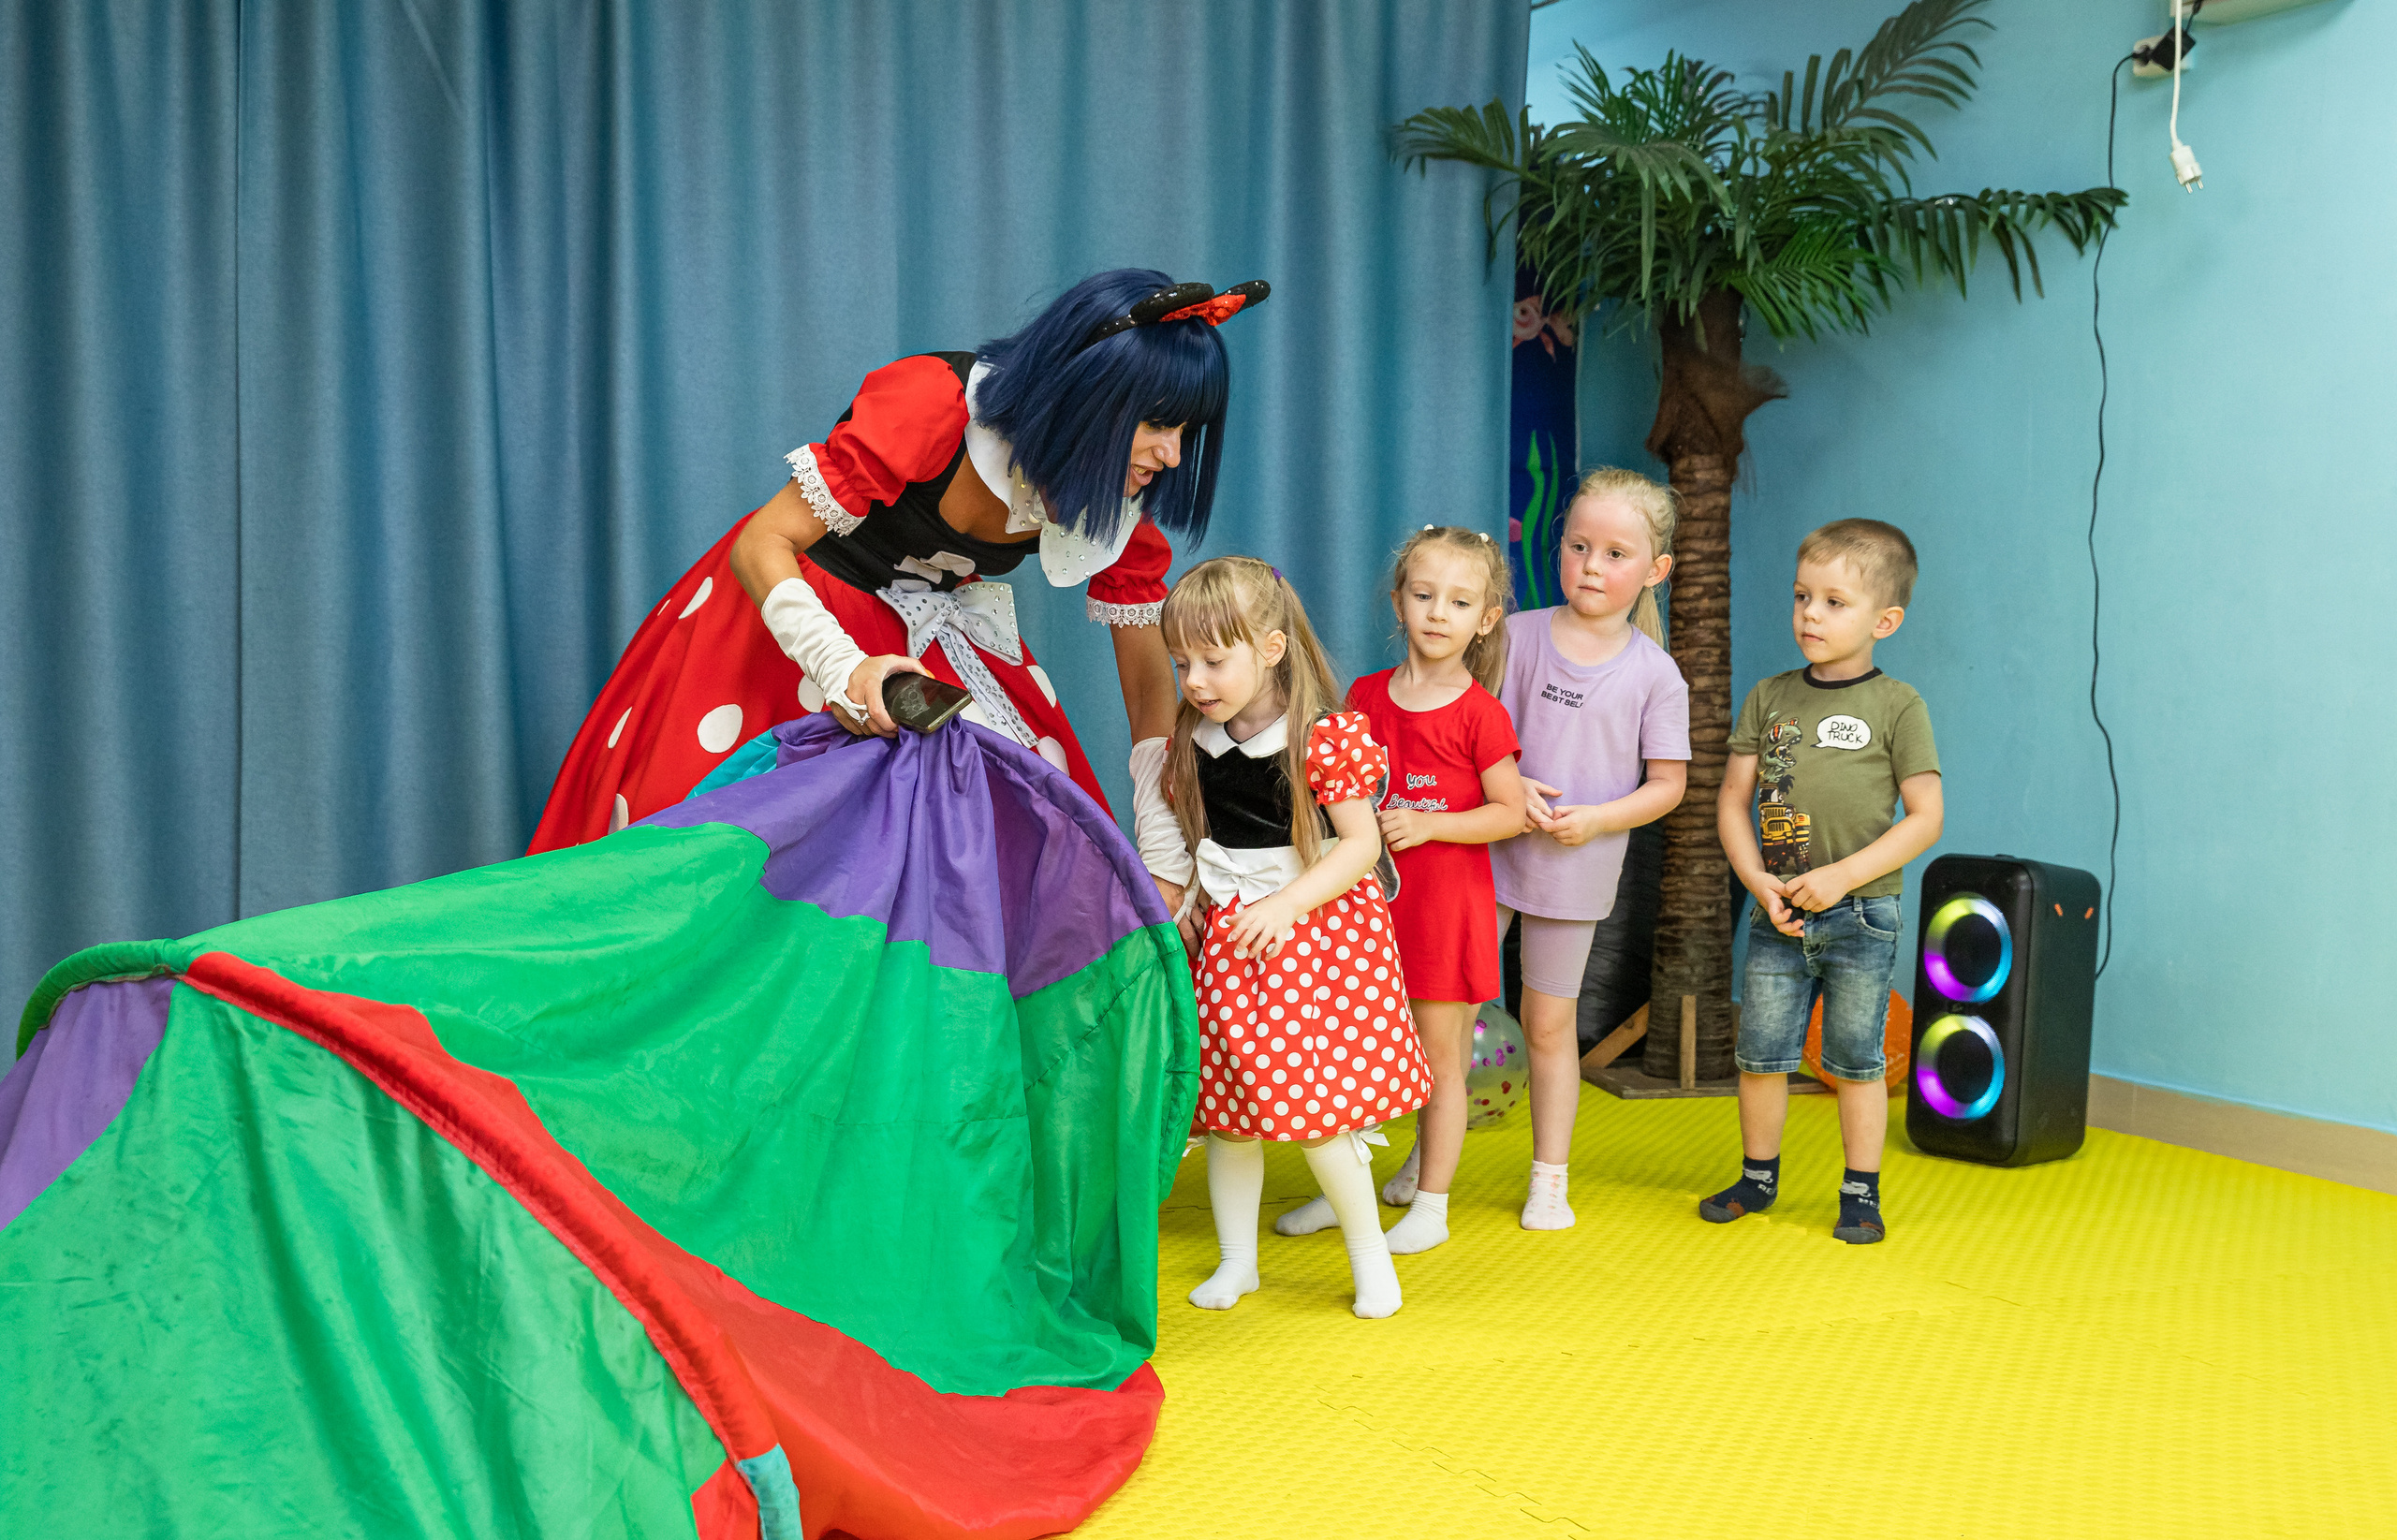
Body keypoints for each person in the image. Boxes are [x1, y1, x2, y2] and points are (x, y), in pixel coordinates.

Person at [527, 269, 1270, 913]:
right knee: (727, 872)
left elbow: (1146, 686)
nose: (1172, 455)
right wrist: (842, 669)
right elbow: (763, 541)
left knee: (999, 869)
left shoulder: (1113, 494)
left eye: (1186, 432)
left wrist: (1163, 841)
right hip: (790, 620)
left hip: (920, 643)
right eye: (1158, 424)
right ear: (1090, 397)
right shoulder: (934, 406)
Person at [1162, 557, 1430, 1320]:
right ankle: (1236, 1262)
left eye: (1215, 659)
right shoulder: (1197, 737)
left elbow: (1360, 847)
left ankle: (1372, 1258)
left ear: (1271, 648)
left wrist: (1284, 905)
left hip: (1309, 939)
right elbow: (1201, 843)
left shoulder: (1324, 737)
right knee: (1228, 1116)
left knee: (1316, 1116)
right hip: (1233, 941)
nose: (1196, 679)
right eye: (1183, 662)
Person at [1274, 526, 1523, 1256]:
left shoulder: (1482, 712)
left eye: (1458, 601)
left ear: (1485, 619)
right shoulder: (1365, 695)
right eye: (1423, 595)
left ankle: (1432, 1203)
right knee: (1357, 1053)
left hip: (1446, 911)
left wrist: (1432, 822)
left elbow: (1509, 813)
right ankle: (1342, 1189)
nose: (1437, 613)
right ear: (1398, 601)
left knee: (1439, 1062)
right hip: (1369, 912)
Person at [1703, 519, 1942, 1244]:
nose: (1811, 613)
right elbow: (1732, 800)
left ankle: (1860, 1192)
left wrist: (1844, 876)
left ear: (1885, 620)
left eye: (1835, 602)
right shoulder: (1771, 696)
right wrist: (1756, 880)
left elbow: (1925, 817)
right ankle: (1757, 1176)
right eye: (1803, 596)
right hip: (1777, 911)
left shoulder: (1898, 705)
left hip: (1861, 913)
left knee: (1856, 1058)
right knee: (1762, 1053)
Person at [1476, 468, 1689, 1230]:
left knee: (1547, 1022)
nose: (1592, 566)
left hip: (1577, 867)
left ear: (1656, 571)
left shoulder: (1656, 674)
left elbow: (1666, 786)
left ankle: (1549, 1177)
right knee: (1448, 1010)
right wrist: (1512, 791)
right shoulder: (1516, 634)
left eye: (1615, 553)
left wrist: (1598, 819)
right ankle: (1423, 1165)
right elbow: (1478, 736)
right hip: (1491, 851)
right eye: (1578, 546)